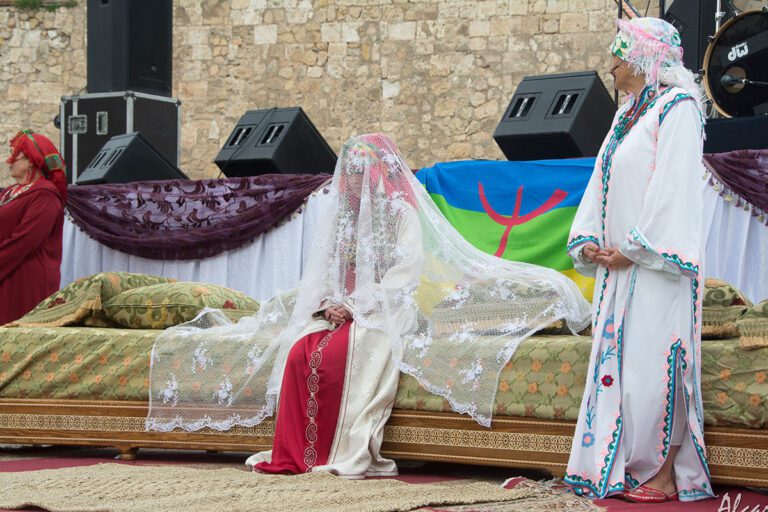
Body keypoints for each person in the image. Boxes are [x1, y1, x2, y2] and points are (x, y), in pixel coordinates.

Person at [147, 133, 590, 478]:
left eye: (361, 172)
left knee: (345, 352)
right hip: (341, 310)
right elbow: (322, 275)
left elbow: (405, 274)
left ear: (379, 173)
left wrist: (357, 306)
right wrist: (328, 305)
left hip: (385, 311)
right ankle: (298, 453)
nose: (354, 181)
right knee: (301, 347)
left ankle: (339, 449)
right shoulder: (340, 222)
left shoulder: (402, 214)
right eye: (350, 173)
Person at [564, 18, 713, 503]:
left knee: (656, 368)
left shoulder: (679, 109)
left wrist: (634, 248)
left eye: (619, 49)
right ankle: (627, 465)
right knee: (621, 370)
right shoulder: (627, 114)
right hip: (617, 268)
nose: (611, 58)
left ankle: (665, 473)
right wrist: (588, 239)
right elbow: (601, 181)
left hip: (656, 268)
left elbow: (676, 188)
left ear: (645, 58)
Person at [0, 130, 67, 324]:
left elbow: (25, 241)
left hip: (24, 280)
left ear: (31, 160)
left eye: (15, 156)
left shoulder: (45, 195)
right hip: (7, 272)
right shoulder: (10, 192)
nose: (9, 161)